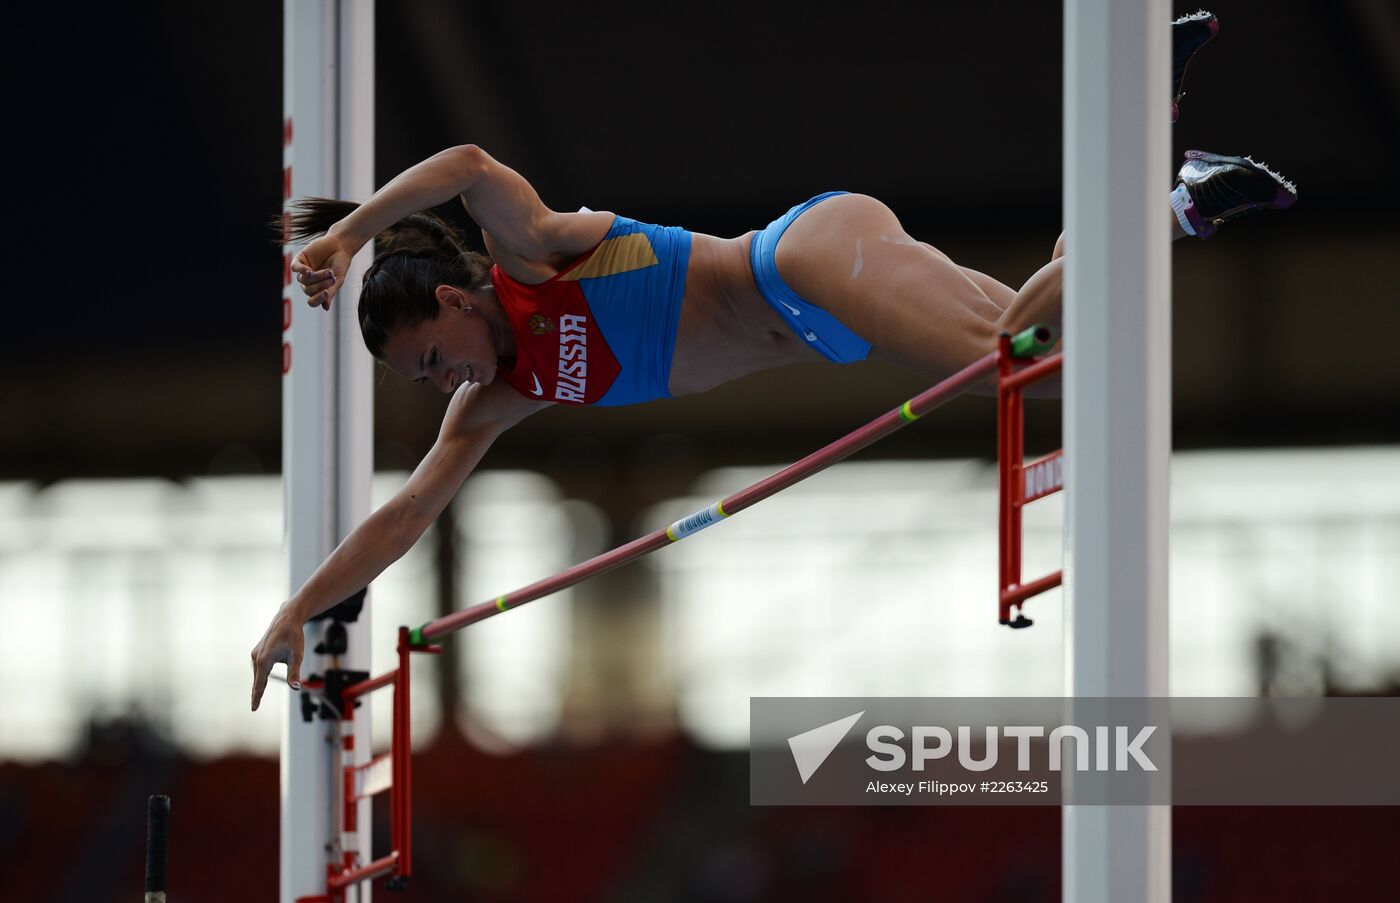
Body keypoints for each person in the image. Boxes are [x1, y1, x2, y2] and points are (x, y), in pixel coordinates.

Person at [251, 10, 1294, 710]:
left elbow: (469, 165)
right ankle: (1160, 128)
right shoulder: (503, 398)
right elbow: (401, 519)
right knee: (1064, 361)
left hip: (802, 257)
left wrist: (349, 235)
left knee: (1008, 354)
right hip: (824, 324)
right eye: (429, 384)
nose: (446, 386)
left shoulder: (526, 253)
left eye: (434, 359)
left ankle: (1170, 201)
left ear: (452, 298)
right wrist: (297, 611)